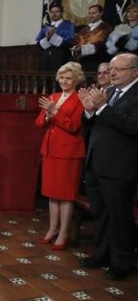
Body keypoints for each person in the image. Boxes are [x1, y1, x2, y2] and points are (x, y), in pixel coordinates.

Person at [77, 53, 138, 281]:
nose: (112, 73)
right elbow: (92, 126)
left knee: (119, 216)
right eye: (110, 69)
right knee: (100, 213)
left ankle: (122, 261)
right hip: (96, 162)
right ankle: (102, 254)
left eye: (118, 69)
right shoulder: (109, 92)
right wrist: (89, 110)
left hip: (120, 167)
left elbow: (133, 127)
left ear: (135, 71)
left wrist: (102, 109)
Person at [34, 61, 86, 250]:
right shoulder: (53, 96)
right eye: (62, 77)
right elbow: (39, 122)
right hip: (50, 150)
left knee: (65, 195)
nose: (64, 81)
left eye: (68, 78)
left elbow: (73, 126)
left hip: (68, 153)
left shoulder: (81, 98)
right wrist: (47, 115)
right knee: (52, 194)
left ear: (76, 80)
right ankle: (52, 229)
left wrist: (54, 111)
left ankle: (63, 233)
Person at [70, 4, 112, 72]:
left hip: (97, 60)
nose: (91, 15)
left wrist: (82, 49)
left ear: (101, 13)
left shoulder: (106, 27)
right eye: (89, 13)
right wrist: (75, 48)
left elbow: (101, 43)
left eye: (94, 13)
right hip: (82, 61)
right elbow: (76, 41)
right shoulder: (84, 29)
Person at [36, 4, 75, 72]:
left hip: (60, 56)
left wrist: (53, 37)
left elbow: (69, 41)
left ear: (62, 13)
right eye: (52, 12)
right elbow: (38, 44)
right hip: (45, 58)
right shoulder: (46, 27)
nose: (54, 14)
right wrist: (47, 38)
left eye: (57, 11)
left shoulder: (68, 25)